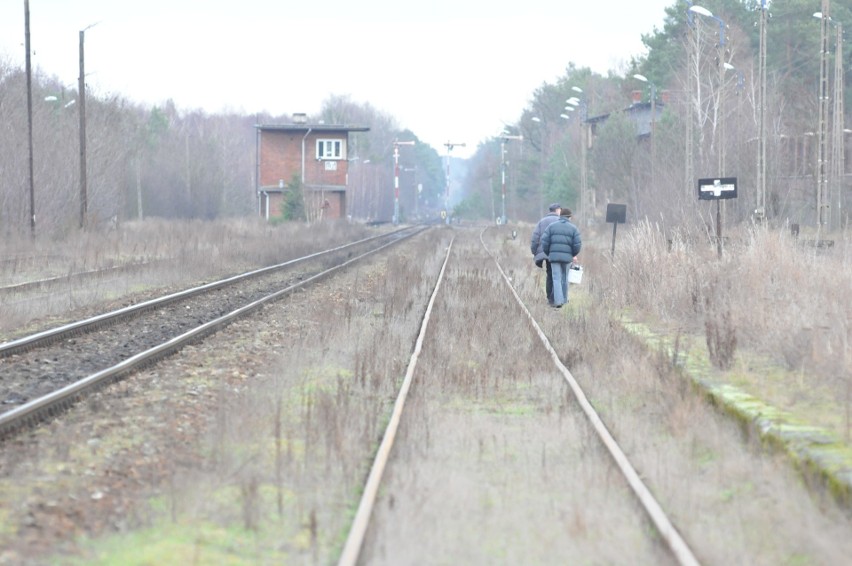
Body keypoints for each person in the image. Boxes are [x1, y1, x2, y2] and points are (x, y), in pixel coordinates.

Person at [541, 207, 582, 308]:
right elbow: (577, 244)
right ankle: (563, 300)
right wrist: (572, 254)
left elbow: (544, 242)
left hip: (554, 258)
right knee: (564, 278)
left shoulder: (551, 227)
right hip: (567, 258)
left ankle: (558, 301)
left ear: (560, 216)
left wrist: (549, 253)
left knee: (556, 278)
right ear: (569, 217)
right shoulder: (573, 228)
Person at [530, 203, 562, 305]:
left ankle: (550, 298)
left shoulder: (541, 222)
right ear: (557, 210)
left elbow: (535, 238)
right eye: (560, 209)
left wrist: (534, 252)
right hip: (558, 252)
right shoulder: (561, 221)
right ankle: (555, 298)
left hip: (546, 252)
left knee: (549, 273)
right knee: (557, 275)